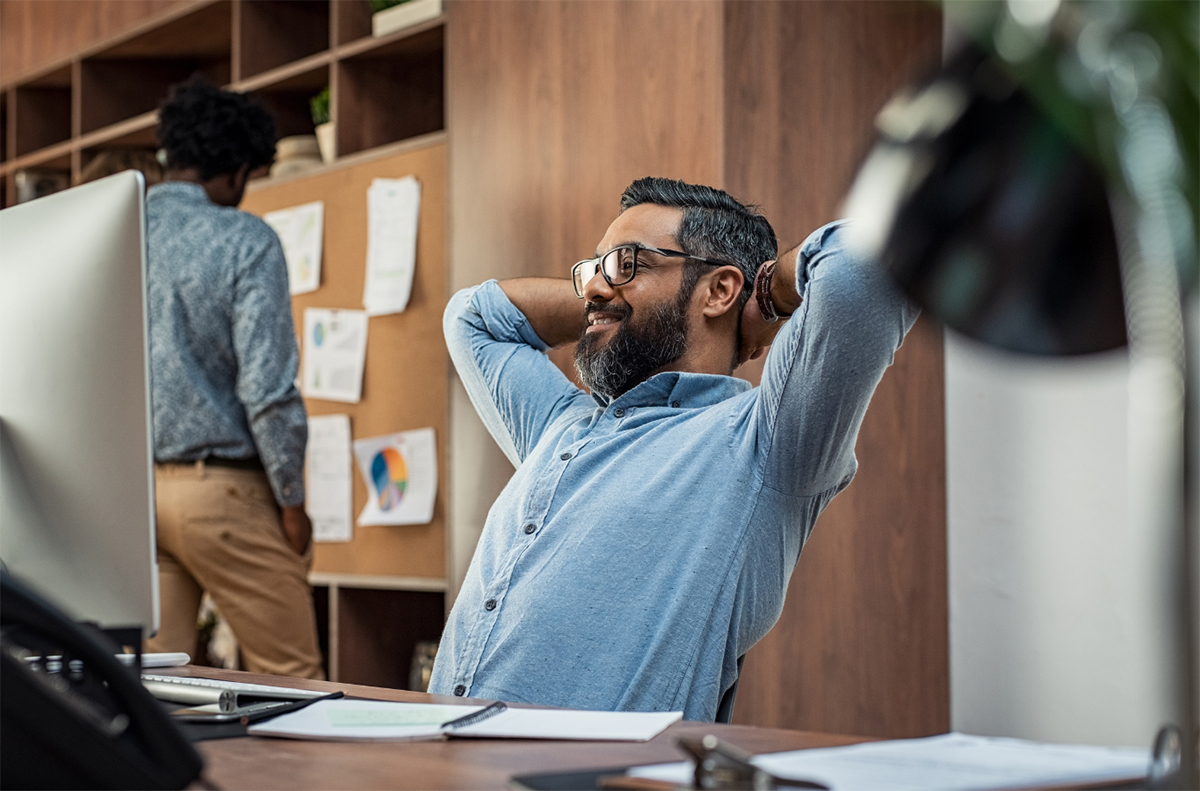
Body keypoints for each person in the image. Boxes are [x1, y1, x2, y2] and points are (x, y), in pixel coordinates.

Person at [429, 177, 917, 719]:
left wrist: (767, 296)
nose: (591, 287)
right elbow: (472, 318)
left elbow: (870, 262)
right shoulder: (561, 425)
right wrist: (608, 301)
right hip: (434, 762)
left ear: (719, 290)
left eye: (627, 262)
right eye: (594, 268)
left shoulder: (764, 441)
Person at [142, 77, 323, 680]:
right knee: (293, 682)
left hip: (136, 496)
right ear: (238, 169)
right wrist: (292, 501)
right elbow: (267, 390)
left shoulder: (118, 234)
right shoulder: (245, 239)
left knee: (157, 690)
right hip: (223, 494)